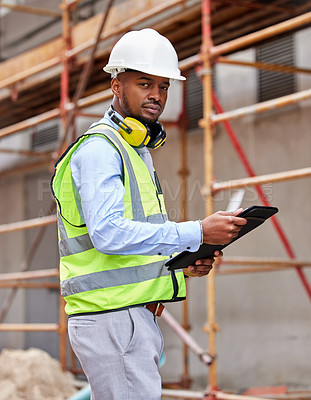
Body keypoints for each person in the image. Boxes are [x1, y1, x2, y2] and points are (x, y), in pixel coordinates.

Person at [51, 28, 246, 400]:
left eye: (164, 86)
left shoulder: (135, 150)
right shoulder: (100, 150)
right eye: (144, 83)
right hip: (111, 318)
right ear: (116, 85)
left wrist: (179, 263)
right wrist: (197, 233)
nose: (157, 95)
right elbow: (108, 234)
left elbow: (128, 247)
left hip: (127, 316)